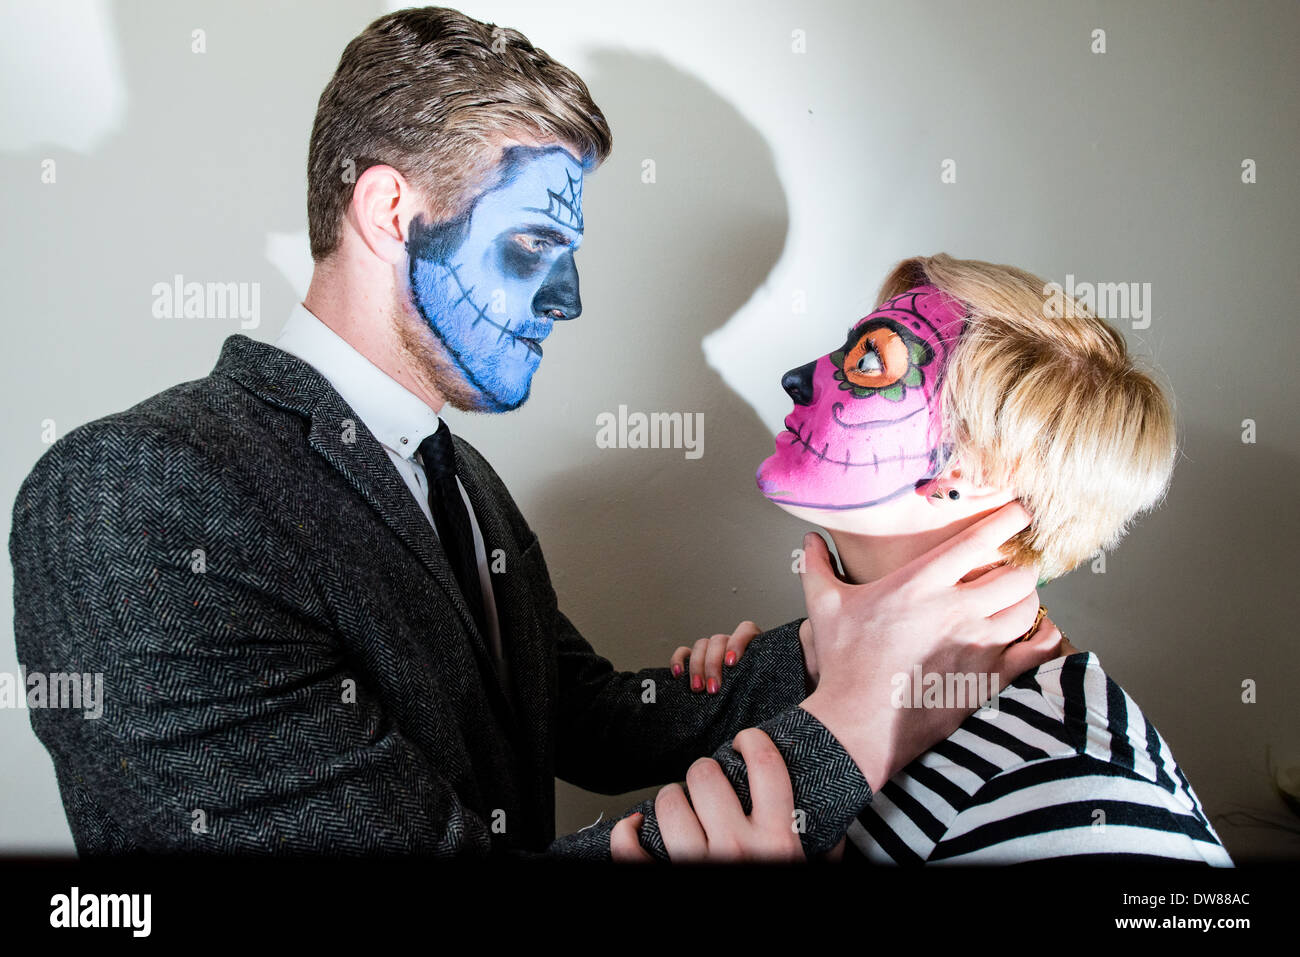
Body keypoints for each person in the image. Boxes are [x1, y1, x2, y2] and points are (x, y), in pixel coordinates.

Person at [9, 9, 1054, 860]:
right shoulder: (139, 489)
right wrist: (858, 727)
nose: (569, 298)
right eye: (534, 242)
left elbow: (588, 718)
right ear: (389, 211)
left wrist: (841, 642)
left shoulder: (461, 480)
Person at [648, 255, 1231, 865]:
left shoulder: (1087, 795)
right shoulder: (815, 668)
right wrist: (768, 676)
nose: (797, 377)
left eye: (869, 361)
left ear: (976, 467)